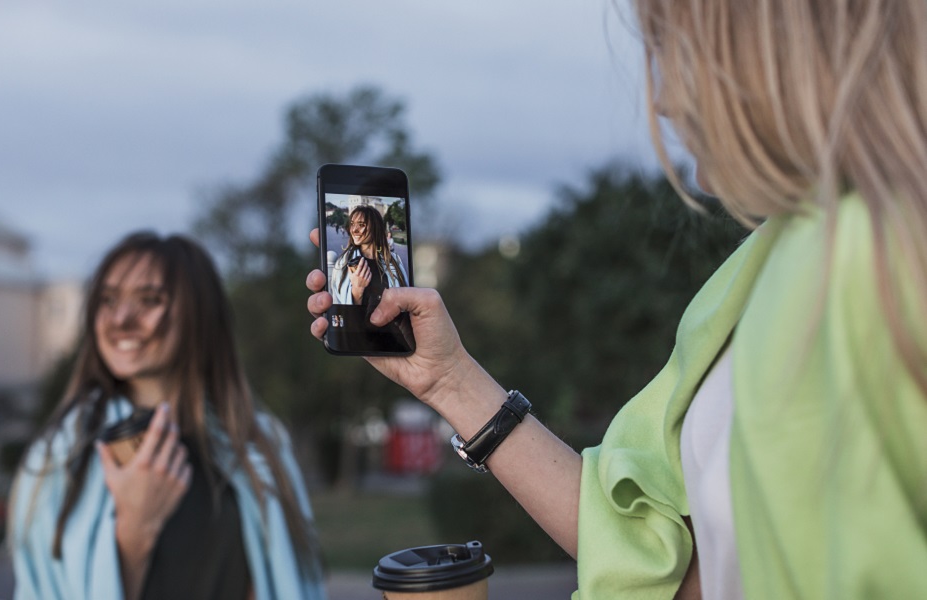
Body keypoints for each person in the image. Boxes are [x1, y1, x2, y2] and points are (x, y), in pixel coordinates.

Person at [306, 1, 927, 598]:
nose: (662, 98)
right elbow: (648, 555)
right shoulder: (768, 266)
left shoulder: (852, 260)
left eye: (672, 48)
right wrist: (447, 381)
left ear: (773, 42)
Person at [11, 231, 324, 600]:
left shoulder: (261, 444)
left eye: (150, 300)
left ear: (199, 315)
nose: (121, 319)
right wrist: (137, 527)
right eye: (108, 300)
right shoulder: (60, 455)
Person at [330, 205, 408, 308]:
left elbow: (406, 298)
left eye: (361, 225)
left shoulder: (394, 260)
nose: (354, 230)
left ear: (375, 227)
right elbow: (339, 309)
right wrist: (357, 290)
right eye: (352, 224)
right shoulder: (343, 263)